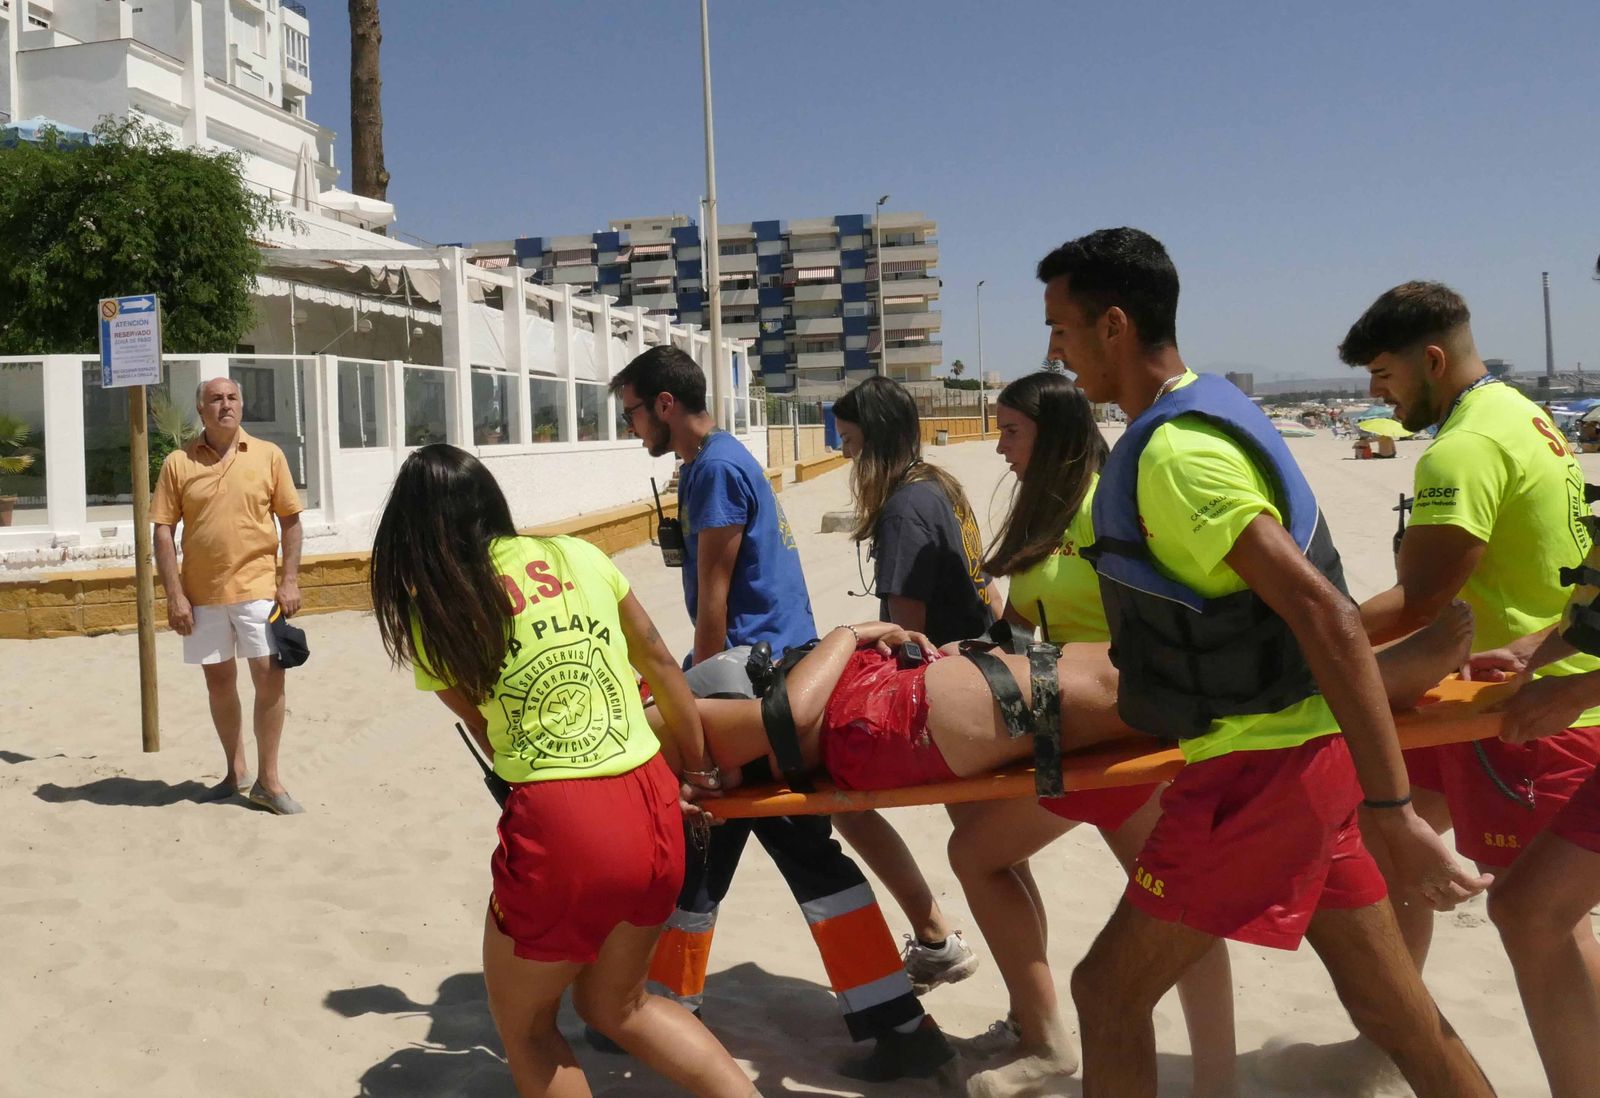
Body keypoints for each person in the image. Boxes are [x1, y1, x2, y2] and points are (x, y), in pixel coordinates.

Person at [1036, 228, 1493, 1097]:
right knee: (1396, 1013)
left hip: (1260, 776)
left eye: (1060, 328)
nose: (1054, 352)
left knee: (1106, 993)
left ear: (1114, 327)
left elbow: (1325, 614)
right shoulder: (1199, 410)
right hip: (1300, 758)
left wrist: (1395, 810)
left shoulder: (1177, 454)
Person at [1274, 279, 1600, 1090]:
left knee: (1542, 921)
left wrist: (1314, 640)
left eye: (1384, 376)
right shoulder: (1523, 413)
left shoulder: (1463, 446)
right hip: (1485, 682)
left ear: (1430, 359)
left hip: (1522, 714)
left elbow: (1422, 596)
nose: (1375, 393)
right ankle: (1399, 1031)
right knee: (1389, 847)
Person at [368, 444, 755, 1098]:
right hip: (651, 802)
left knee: (526, 1026)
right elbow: (663, 666)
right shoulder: (577, 554)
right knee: (620, 1006)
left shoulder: (435, 610)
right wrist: (694, 771)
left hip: (563, 817)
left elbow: (491, 734)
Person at [609, 348, 951, 1082]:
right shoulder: (727, 461)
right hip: (777, 678)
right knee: (734, 851)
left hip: (752, 688)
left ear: (666, 405)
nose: (632, 425)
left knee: (748, 846)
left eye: (634, 411)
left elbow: (714, 606)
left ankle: (898, 1026)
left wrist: (695, 712)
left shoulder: (711, 471)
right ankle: (670, 1006)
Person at [954, 370, 1235, 1097]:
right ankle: (1048, 1043)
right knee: (977, 854)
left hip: (1131, 746)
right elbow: (1019, 626)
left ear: (1051, 434)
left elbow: (1173, 620)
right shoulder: (1042, 511)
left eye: (1010, 430)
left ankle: (1215, 1083)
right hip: (1066, 737)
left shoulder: (1113, 505)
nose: (1000, 447)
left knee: (1179, 911)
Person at [826, 376, 994, 999]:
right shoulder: (941, 487)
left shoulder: (902, 509)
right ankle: (937, 943)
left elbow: (905, 638)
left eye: (849, 442)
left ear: (876, 443)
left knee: (844, 797)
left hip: (945, 701)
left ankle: (937, 940)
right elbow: (988, 590)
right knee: (991, 850)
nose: (845, 456)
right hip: (980, 676)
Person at [151, 376, 305, 815]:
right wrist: (174, 596)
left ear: (242, 404)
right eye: (215, 399)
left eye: (232, 397)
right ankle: (234, 772)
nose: (225, 405)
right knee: (219, 681)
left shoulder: (268, 456)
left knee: (269, 673)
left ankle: (269, 780)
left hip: (258, 585)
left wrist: (289, 580)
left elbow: (291, 522)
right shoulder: (178, 463)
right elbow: (163, 532)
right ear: (201, 409)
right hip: (201, 593)